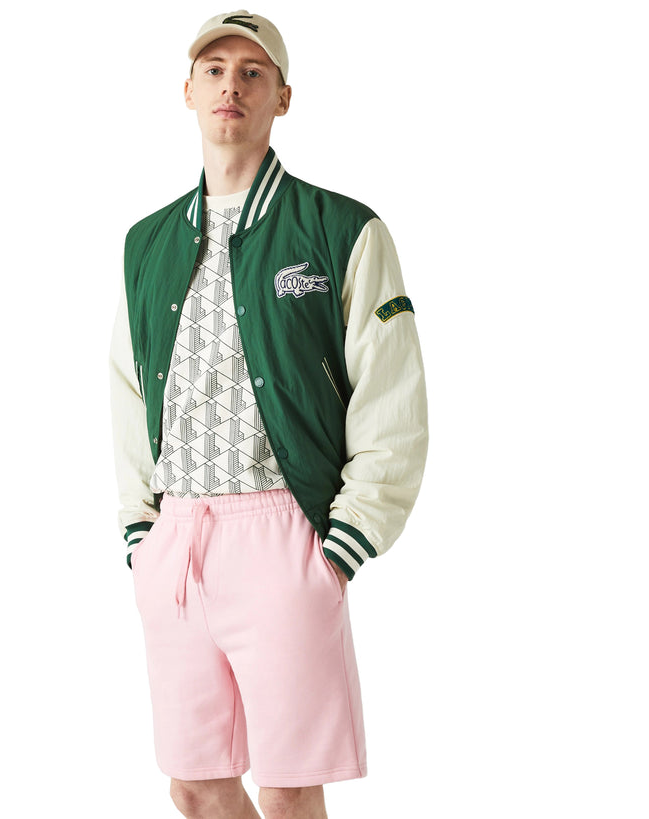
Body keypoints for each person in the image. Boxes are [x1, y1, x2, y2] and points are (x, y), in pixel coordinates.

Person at [109, 10, 428, 818]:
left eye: (253, 72)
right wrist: (142, 533)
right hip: (177, 540)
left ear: (283, 97)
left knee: (287, 791)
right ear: (187, 91)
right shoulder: (146, 243)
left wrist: (343, 545)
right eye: (214, 70)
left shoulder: (342, 229)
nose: (232, 86)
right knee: (194, 783)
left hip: (284, 535)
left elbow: (393, 395)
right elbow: (129, 391)